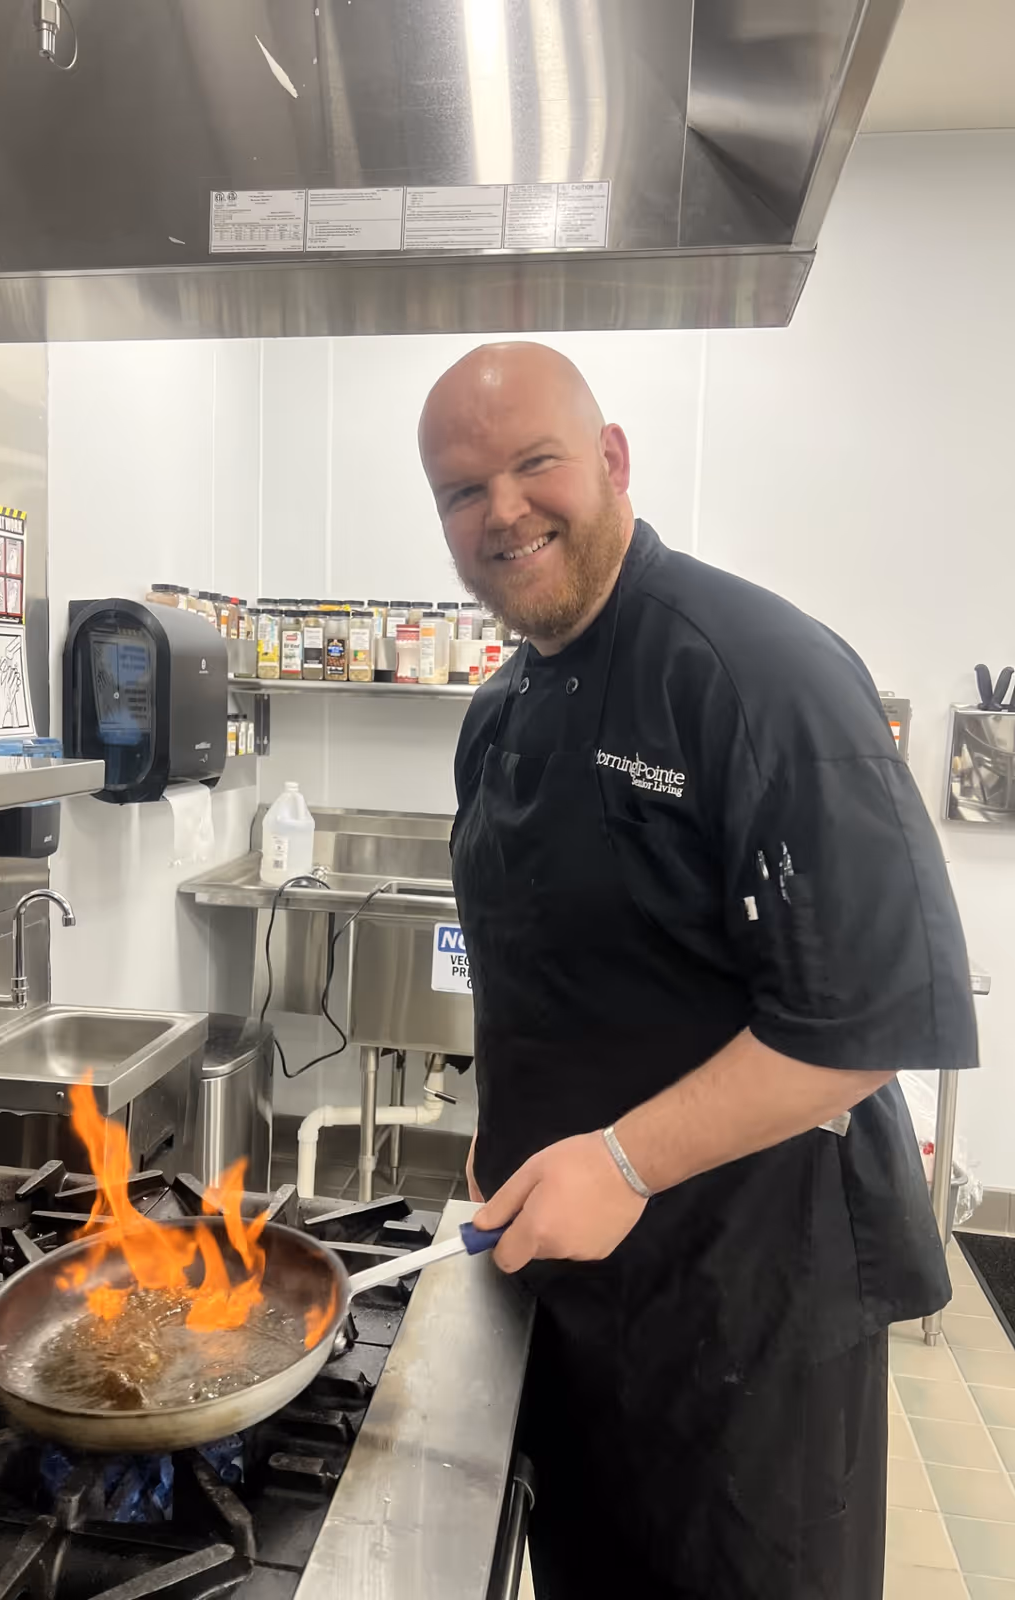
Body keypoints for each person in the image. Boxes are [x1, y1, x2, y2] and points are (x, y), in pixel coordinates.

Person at [417, 342, 977, 1600]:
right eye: (462, 489)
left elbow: (861, 1018)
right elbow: (554, 963)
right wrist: (502, 1127)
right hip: (574, 1295)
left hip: (752, 1309)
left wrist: (621, 1159)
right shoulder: (501, 713)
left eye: (534, 464)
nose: (501, 509)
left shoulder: (755, 668)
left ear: (611, 461)